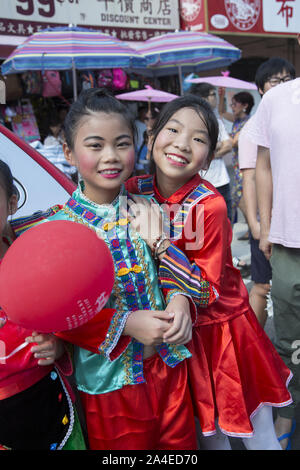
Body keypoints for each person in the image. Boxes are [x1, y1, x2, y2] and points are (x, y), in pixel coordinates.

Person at [126, 95, 293, 450]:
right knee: (208, 434)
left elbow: (206, 291)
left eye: (199, 139)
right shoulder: (134, 191)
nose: (182, 143)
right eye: (173, 129)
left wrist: (159, 241)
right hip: (173, 334)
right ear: (152, 137)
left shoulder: (210, 205)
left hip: (223, 333)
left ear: (208, 159)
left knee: (255, 430)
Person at [42, 88, 197, 450]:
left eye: (122, 143)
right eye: (95, 146)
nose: (110, 156)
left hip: (169, 367)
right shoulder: (58, 230)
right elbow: (58, 313)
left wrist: (179, 300)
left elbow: (172, 268)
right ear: (68, 152)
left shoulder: (151, 207)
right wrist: (127, 323)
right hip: (109, 385)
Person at [0, 160, 86, 450]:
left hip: (53, 400)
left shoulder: (30, 250)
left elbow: (62, 312)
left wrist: (61, 345)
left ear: (12, 203)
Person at [245, 35, 300, 450]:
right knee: (288, 334)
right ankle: (289, 408)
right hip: (288, 240)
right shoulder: (278, 98)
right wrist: (264, 225)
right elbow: (261, 165)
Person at [238, 58, 296, 329]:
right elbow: (252, 176)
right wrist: (258, 226)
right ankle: (253, 345)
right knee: (263, 287)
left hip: (281, 225)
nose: (280, 85)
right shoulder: (259, 121)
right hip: (273, 227)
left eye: (286, 79)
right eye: (275, 80)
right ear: (260, 88)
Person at [189, 82, 232, 221]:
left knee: (226, 221)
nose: (216, 98)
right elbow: (192, 149)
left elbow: (228, 145)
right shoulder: (191, 123)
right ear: (203, 98)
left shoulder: (216, 121)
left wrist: (208, 155)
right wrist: (215, 146)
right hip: (200, 183)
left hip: (222, 181)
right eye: (213, 95)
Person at [219, 90, 255, 226]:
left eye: (235, 104)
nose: (232, 107)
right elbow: (221, 111)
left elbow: (233, 142)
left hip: (246, 166)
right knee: (242, 197)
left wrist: (221, 131)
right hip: (237, 165)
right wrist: (221, 94)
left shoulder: (248, 123)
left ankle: (253, 224)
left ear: (245, 105)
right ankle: (251, 225)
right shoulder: (236, 120)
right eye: (231, 104)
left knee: (239, 198)